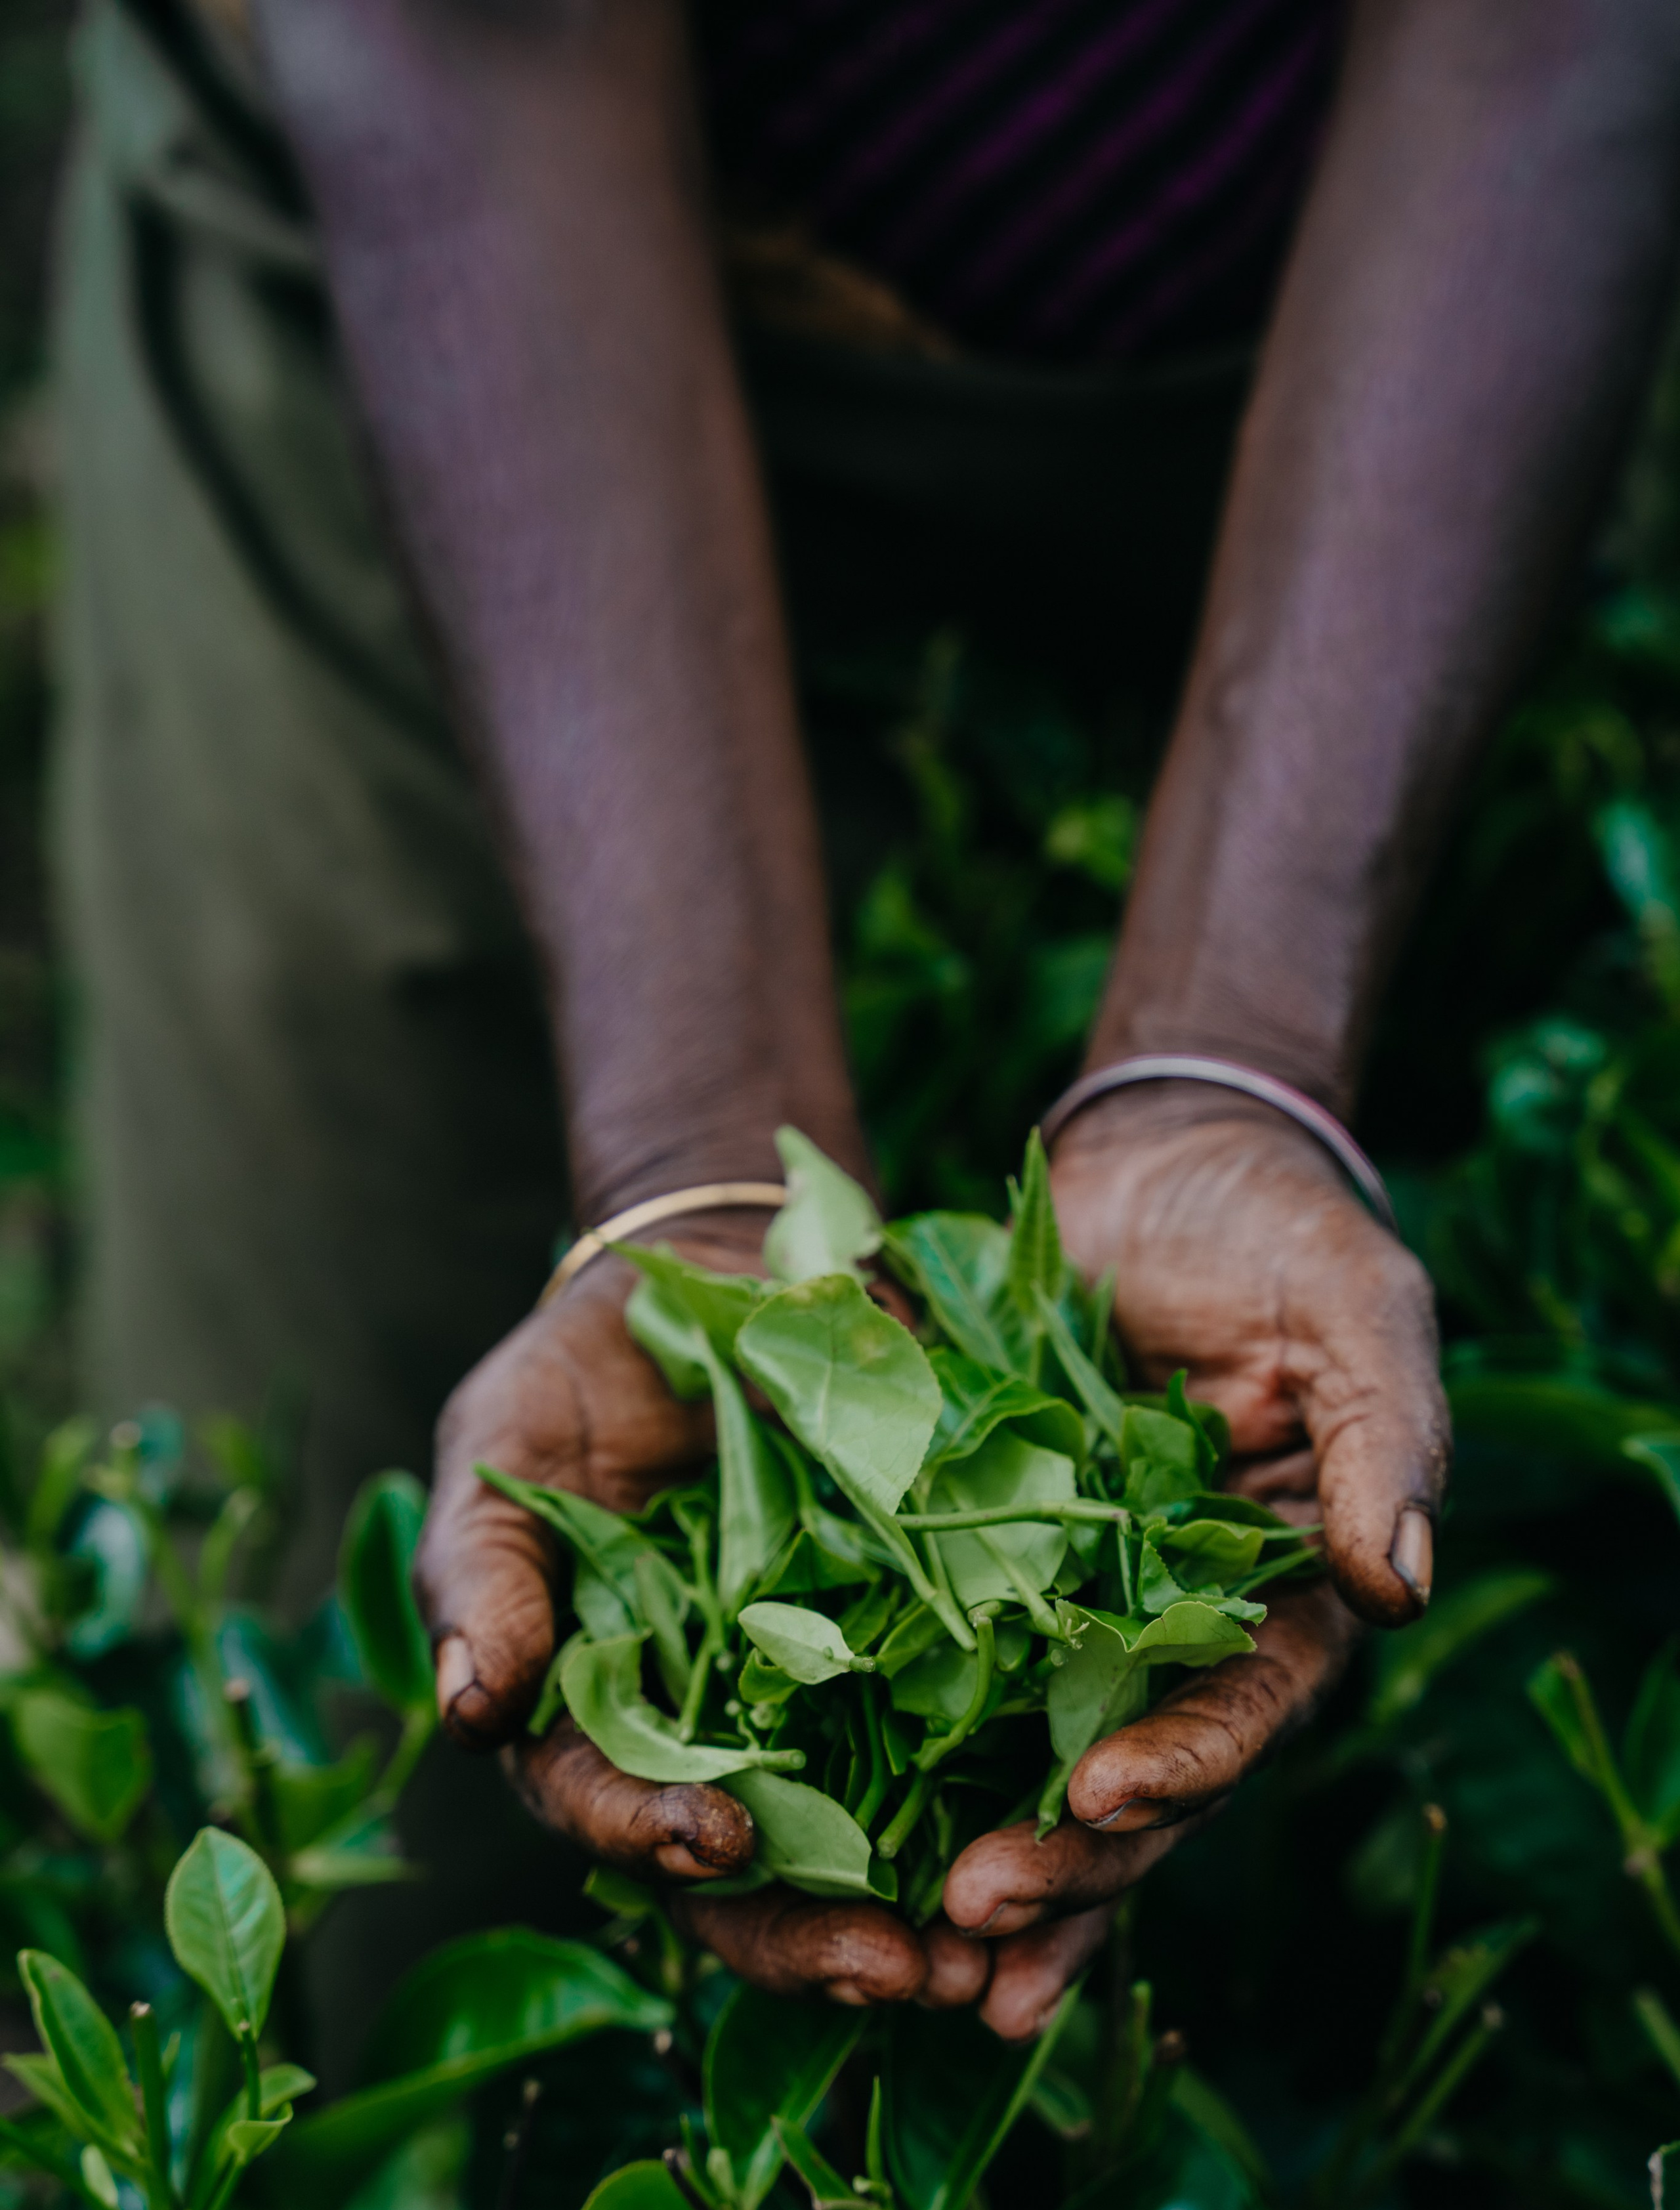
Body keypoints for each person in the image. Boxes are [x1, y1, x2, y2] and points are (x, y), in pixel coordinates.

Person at [56, 0, 1680, 2046]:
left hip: (1375, 368)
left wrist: (1238, 1058)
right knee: (356, 1798)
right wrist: (686, 1172)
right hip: (467, 337)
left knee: (1305, 1951)